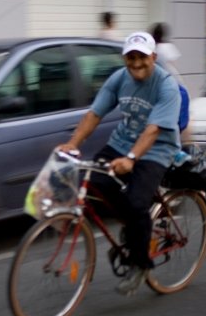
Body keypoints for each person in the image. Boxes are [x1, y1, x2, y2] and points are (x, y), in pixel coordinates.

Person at [58, 31, 181, 295]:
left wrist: (132, 159)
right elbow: (94, 114)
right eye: (131, 57)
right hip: (122, 143)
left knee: (137, 203)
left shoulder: (166, 86)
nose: (136, 63)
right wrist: (73, 143)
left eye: (142, 57)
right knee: (94, 184)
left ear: (154, 57)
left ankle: (141, 263)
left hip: (156, 150)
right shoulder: (119, 79)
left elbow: (153, 131)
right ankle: (134, 228)